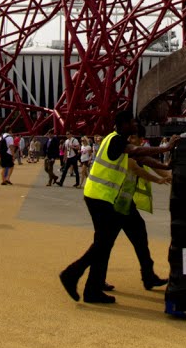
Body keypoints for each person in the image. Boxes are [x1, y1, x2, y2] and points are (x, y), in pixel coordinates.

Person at [59, 111, 176, 305]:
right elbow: (138, 153)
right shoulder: (115, 141)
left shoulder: (117, 140)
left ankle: (91, 289)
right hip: (100, 197)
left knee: (104, 243)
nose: (133, 125)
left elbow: (141, 159)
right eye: (131, 122)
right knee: (103, 243)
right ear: (123, 124)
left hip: (104, 198)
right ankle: (72, 274)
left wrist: (165, 166)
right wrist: (166, 147)